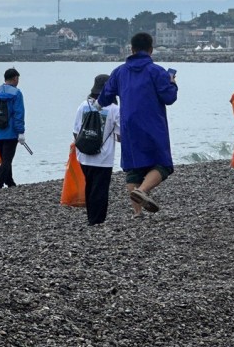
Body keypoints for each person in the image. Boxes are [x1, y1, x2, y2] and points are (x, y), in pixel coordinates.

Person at [97, 32, 177, 217]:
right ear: (151, 50)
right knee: (163, 164)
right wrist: (172, 83)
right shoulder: (157, 71)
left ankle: (137, 212)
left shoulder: (119, 72)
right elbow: (169, 97)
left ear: (131, 49)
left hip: (129, 125)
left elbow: (105, 97)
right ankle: (143, 190)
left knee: (134, 167)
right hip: (152, 123)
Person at [72, 74, 121, 226]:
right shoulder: (114, 109)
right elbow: (120, 137)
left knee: (90, 185)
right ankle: (97, 220)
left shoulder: (83, 105)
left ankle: (91, 217)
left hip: (84, 155)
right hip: (104, 157)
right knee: (100, 189)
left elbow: (76, 132)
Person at [0, 67, 27, 189]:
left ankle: (10, 182)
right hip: (11, 132)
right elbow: (19, 113)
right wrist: (21, 132)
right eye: (18, 79)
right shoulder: (17, 93)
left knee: (5, 158)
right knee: (7, 160)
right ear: (15, 78)